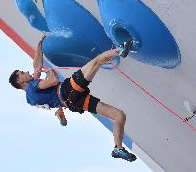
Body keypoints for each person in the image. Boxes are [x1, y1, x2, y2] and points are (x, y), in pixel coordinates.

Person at [9, 34, 137, 162]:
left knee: (119, 115)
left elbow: (36, 66)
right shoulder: (32, 87)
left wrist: (39, 42)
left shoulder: (30, 97)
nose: (25, 71)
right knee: (97, 61)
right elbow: (54, 80)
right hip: (68, 91)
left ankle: (118, 148)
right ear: (20, 81)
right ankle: (121, 49)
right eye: (21, 73)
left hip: (72, 102)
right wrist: (48, 71)